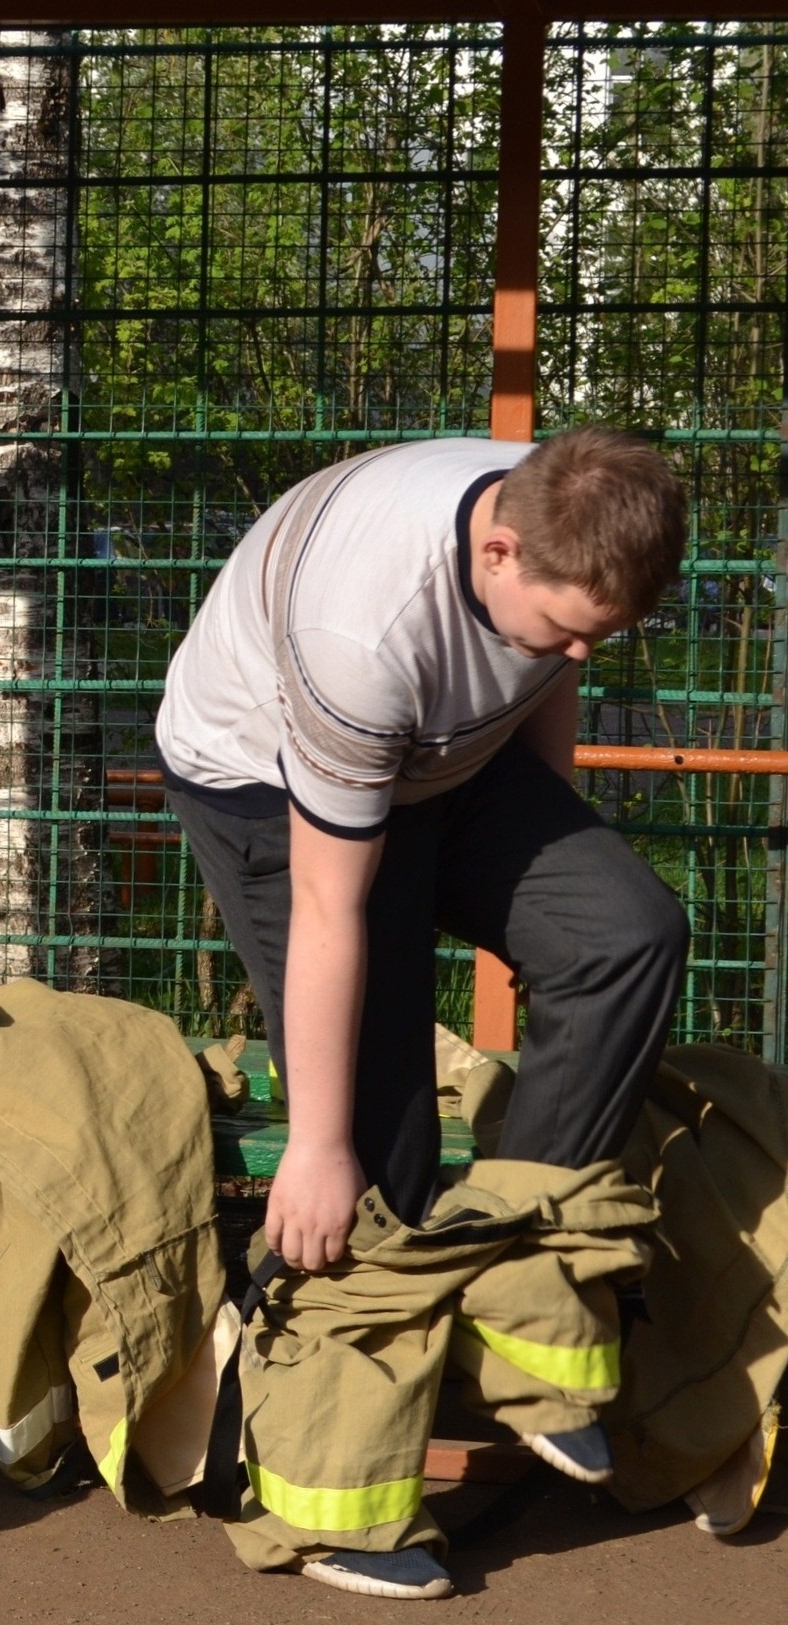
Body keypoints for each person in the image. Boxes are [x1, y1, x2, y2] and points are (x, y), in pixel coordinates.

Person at [155, 428, 690, 1598]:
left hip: (449, 756)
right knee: (373, 1133)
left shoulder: (562, 514)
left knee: (623, 932)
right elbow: (332, 906)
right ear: (497, 550)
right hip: (271, 782)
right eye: (573, 625)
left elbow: (541, 690)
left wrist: (547, 856)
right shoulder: (368, 627)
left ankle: (511, 1285)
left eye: (609, 627)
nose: (587, 650)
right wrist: (315, 1144)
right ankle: (313, 1479)